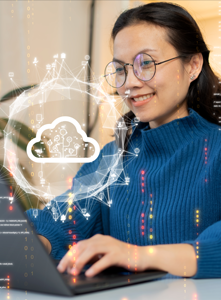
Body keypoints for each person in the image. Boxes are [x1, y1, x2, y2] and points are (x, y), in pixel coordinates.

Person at [27, 2, 221, 279]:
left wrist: (138, 255)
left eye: (146, 64)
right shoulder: (112, 159)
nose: (129, 83)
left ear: (193, 65)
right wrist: (28, 241)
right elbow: (59, 222)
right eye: (121, 69)